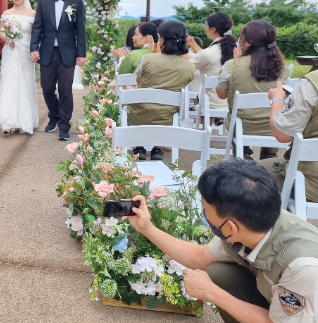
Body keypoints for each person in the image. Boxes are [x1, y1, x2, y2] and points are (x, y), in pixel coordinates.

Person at [125, 158, 318, 323]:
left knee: (216, 284)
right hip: (281, 301)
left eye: (206, 212)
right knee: (219, 273)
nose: (205, 217)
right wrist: (147, 229)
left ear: (231, 227)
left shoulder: (301, 267)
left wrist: (210, 292)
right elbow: (200, 257)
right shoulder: (253, 223)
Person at [216, 20, 289, 160]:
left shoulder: (231, 65)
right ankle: (269, 157)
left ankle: (243, 154)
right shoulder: (283, 67)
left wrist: (236, 63)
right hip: (274, 126)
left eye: (241, 37)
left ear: (248, 42)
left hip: (243, 126)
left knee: (233, 118)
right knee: (274, 117)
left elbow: (221, 94)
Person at [30, 0, 87, 141]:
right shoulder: (44, 2)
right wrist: (34, 48)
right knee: (47, 89)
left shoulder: (76, 2)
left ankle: (64, 126)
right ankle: (54, 115)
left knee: (65, 89)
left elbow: (81, 30)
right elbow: (37, 27)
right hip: (47, 52)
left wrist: (81, 53)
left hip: (67, 53)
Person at [129, 20, 196, 160]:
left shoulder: (147, 59)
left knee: (141, 107)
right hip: (166, 118)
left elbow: (139, 81)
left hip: (139, 115)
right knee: (165, 110)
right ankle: (157, 149)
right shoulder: (189, 67)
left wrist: (153, 54)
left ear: (162, 40)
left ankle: (139, 147)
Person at [262, 69, 318, 203]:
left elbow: (283, 135)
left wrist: (277, 100)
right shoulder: (282, 67)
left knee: (243, 173)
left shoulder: (310, 84)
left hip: (311, 183)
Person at [0, 0, 39, 136]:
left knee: (24, 82)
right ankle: (8, 122)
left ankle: (25, 120)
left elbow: (35, 35)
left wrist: (34, 51)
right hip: (10, 50)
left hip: (25, 50)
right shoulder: (6, 13)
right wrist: (8, 39)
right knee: (9, 82)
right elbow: (1, 32)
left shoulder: (32, 14)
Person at [186, 12, 235, 114]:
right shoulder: (237, 50)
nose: (205, 28)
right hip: (232, 103)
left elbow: (185, 68)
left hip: (209, 105)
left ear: (213, 29)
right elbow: (204, 57)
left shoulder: (207, 53)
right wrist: (193, 44)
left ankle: (203, 126)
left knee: (196, 98)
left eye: (206, 25)